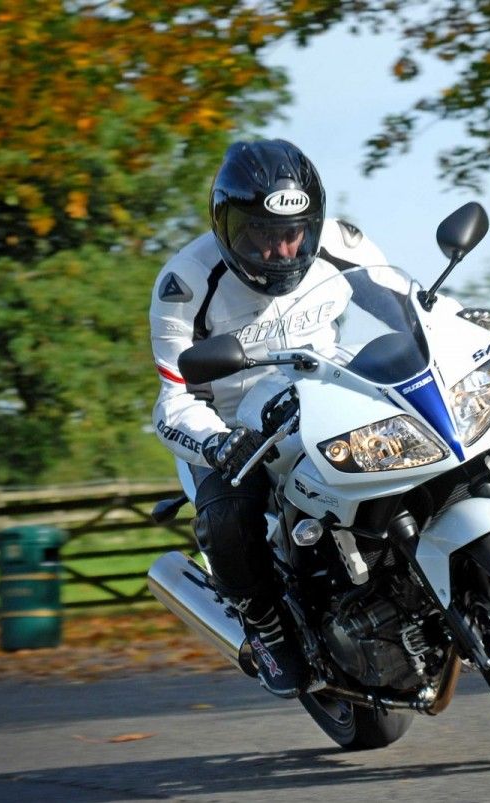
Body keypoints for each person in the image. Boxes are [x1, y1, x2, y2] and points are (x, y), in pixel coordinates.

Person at [148, 139, 393, 698]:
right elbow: (172, 400)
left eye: (292, 232)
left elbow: (403, 305)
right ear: (226, 224)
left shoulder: (341, 243)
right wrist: (216, 445)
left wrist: (452, 326)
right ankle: (262, 622)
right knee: (231, 515)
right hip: (230, 427)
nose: (280, 250)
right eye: (259, 232)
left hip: (325, 399)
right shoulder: (185, 283)